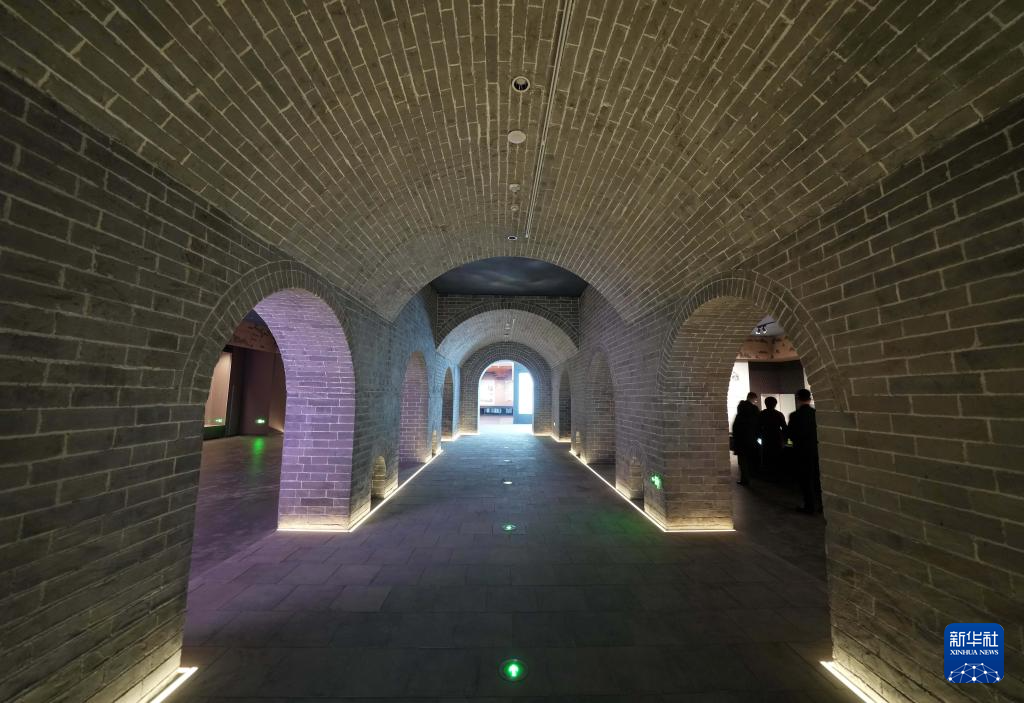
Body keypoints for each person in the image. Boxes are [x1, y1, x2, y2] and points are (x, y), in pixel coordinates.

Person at [788, 388, 821, 513]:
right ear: (810, 398)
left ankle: (809, 506)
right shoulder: (816, 413)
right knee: (817, 478)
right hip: (816, 449)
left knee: (806, 479)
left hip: (801, 450)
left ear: (798, 399)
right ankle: (822, 505)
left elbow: (791, 434)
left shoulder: (795, 415)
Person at [731, 392, 760, 486]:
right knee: (751, 458)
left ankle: (745, 479)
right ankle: (753, 476)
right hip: (752, 438)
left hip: (741, 439)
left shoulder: (740, 411)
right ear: (753, 398)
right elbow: (758, 425)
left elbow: (735, 427)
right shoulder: (754, 410)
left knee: (742, 460)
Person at [757, 396, 787, 475]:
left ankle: (768, 474)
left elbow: (758, 427)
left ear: (765, 404)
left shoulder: (762, 414)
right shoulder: (779, 414)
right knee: (777, 456)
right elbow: (784, 427)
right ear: (775, 404)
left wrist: (760, 436)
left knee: (767, 456)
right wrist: (785, 439)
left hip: (766, 437)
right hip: (777, 437)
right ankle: (777, 473)